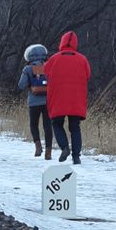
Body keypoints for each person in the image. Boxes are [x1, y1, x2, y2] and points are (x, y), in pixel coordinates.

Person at [44, 29, 91, 164]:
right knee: (75, 127)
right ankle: (76, 157)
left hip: (58, 99)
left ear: (62, 43)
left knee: (57, 124)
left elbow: (45, 73)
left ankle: (65, 147)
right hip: (76, 99)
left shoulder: (54, 59)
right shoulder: (82, 59)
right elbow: (88, 76)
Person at [18, 43, 52, 159]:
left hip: (33, 101)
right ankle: (48, 151)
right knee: (47, 125)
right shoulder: (50, 66)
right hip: (48, 101)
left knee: (34, 124)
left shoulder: (27, 68)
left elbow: (21, 85)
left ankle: (38, 146)